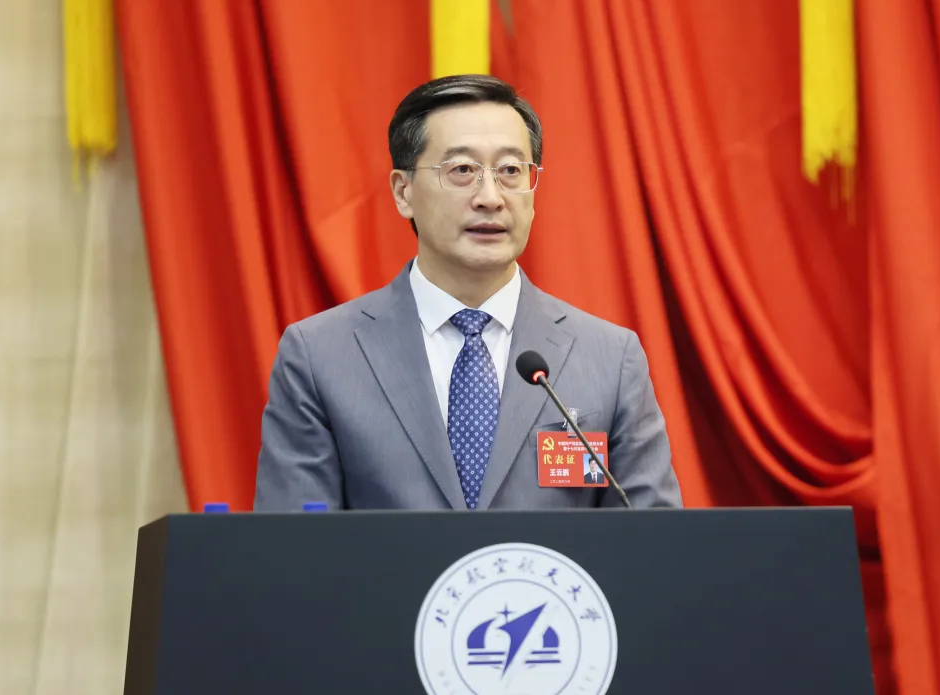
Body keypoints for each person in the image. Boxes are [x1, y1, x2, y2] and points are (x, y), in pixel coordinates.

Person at [253, 74, 682, 511]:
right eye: (462, 171)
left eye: (511, 171)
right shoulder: (321, 356)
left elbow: (654, 541)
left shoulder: (609, 358)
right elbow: (294, 544)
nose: (491, 198)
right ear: (403, 192)